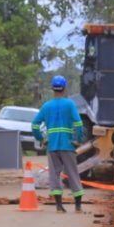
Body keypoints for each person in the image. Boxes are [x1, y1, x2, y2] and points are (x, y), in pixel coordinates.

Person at [32, 76, 86, 213]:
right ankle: (78, 207)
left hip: (52, 146)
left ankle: (59, 207)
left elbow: (34, 125)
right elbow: (79, 124)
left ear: (52, 88)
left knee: (54, 176)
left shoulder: (46, 106)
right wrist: (78, 140)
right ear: (65, 88)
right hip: (67, 145)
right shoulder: (69, 104)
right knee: (73, 174)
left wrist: (42, 139)